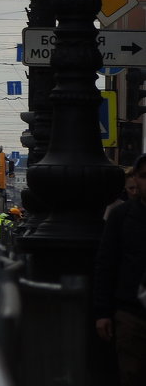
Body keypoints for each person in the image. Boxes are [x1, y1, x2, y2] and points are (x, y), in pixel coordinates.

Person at [94, 153, 146, 386]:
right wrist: (103, 312)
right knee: (131, 373)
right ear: (136, 179)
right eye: (145, 176)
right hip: (131, 312)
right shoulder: (121, 216)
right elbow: (106, 263)